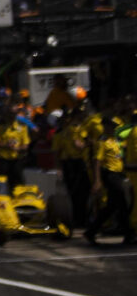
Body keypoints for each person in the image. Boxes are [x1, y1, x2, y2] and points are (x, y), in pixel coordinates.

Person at [55, 93, 98, 236]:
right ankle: (79, 219)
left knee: (83, 192)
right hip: (74, 164)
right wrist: (90, 143)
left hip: (79, 163)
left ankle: (82, 218)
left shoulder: (79, 129)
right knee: (78, 192)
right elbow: (78, 146)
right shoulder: (72, 129)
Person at [90, 117, 133, 247]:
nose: (113, 128)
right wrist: (97, 180)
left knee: (112, 206)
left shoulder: (117, 141)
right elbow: (97, 162)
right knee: (122, 203)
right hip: (109, 174)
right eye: (111, 126)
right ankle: (129, 234)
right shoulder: (103, 141)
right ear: (105, 126)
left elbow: (120, 158)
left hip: (118, 174)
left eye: (114, 126)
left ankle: (91, 232)